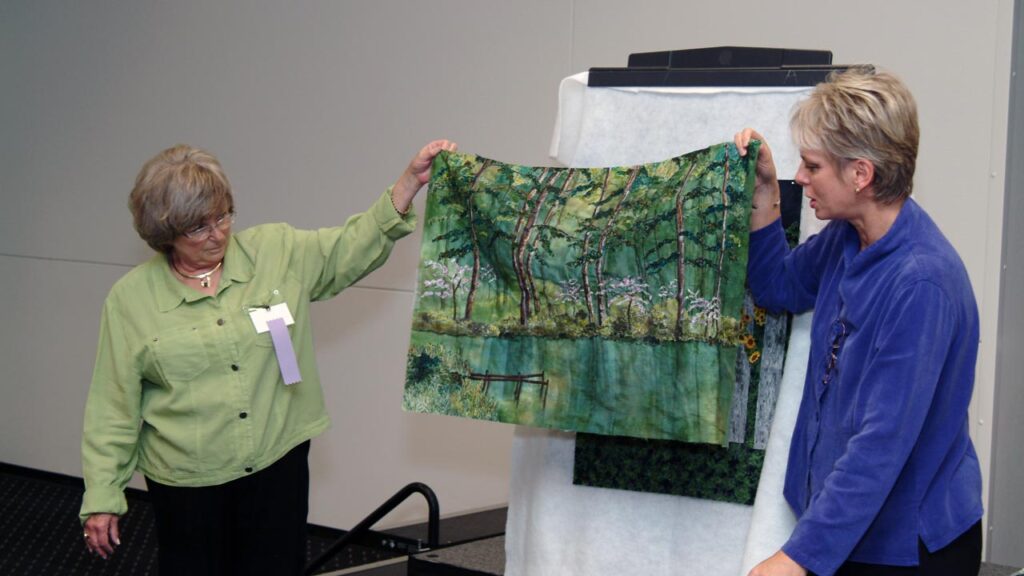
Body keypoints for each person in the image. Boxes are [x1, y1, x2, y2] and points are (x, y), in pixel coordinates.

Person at [80, 139, 456, 575]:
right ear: (165, 234)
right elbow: (113, 406)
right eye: (198, 227)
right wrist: (103, 497)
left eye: (223, 216)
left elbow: (347, 247)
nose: (217, 233)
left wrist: (407, 185)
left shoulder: (275, 251)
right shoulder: (131, 300)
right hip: (189, 482)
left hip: (277, 466)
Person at [734, 68, 983, 576]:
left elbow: (880, 444)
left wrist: (795, 557)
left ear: (861, 175)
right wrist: (764, 192)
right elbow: (779, 287)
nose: (800, 178)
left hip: (907, 550)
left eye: (811, 166)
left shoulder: (920, 284)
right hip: (848, 532)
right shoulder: (848, 237)